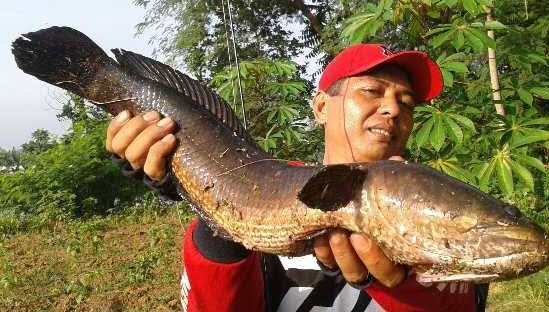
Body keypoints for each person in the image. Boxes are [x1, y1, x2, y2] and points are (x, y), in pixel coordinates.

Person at [106, 44, 488, 311]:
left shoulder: (447, 212)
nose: (391, 108)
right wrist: (203, 202)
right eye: (372, 90)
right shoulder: (267, 187)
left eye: (406, 103)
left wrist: (403, 284)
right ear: (321, 106)